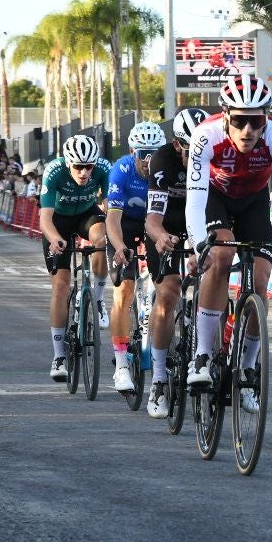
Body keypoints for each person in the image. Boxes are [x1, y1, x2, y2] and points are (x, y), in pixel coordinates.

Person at [185, 73, 272, 417]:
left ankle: (248, 366)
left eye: (255, 121)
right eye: (239, 121)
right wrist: (200, 247)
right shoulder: (205, 136)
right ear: (225, 116)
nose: (247, 130)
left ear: (266, 119)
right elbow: (195, 202)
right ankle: (202, 356)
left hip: (254, 201)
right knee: (221, 256)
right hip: (216, 199)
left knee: (259, 281)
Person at [141, 107, 208, 417]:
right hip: (166, 227)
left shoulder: (213, 156)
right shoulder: (162, 161)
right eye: (188, 147)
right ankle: (157, 378)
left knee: (212, 285)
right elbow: (152, 218)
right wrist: (160, 237)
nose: (195, 153)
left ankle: (209, 356)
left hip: (200, 225)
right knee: (168, 295)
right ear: (177, 143)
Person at [39, 134, 112, 382]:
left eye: (88, 167)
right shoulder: (54, 171)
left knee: (103, 240)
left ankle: (99, 300)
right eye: (78, 167)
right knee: (60, 287)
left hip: (86, 216)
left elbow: (111, 206)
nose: (84, 173)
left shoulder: (103, 168)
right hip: (57, 222)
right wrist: (55, 239)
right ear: (68, 163)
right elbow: (45, 219)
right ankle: (59, 356)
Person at [103, 120, 167, 395]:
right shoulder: (121, 170)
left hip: (155, 225)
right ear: (133, 151)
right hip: (125, 226)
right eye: (143, 154)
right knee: (124, 290)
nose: (149, 161)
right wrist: (118, 247)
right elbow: (112, 219)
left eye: (154, 153)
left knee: (165, 288)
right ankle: (120, 366)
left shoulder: (166, 170)